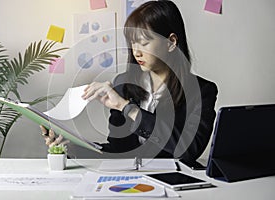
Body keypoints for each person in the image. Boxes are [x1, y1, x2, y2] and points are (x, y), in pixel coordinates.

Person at [41, 0, 218, 165]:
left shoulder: (202, 91)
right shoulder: (123, 84)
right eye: (133, 43)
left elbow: (188, 151)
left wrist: (128, 108)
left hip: (175, 185)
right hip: (131, 183)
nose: (136, 52)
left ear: (171, 42)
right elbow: (118, 151)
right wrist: (72, 147)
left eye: (143, 42)